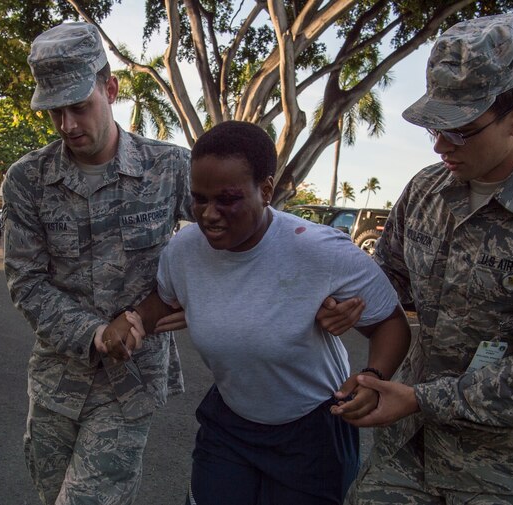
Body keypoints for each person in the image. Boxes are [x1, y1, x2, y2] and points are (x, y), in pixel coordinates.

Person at [326, 13, 513, 505]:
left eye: (461, 130)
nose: (442, 145)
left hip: (505, 474)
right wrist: (351, 309)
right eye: (434, 127)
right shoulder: (426, 189)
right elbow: (387, 284)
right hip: (405, 457)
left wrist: (422, 399)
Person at [105, 120, 412, 505]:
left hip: (312, 430)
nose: (208, 215)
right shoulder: (185, 249)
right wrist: (133, 321)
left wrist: (372, 376)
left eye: (227, 199)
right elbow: (165, 299)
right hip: (230, 424)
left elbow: (391, 323)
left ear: (266, 190)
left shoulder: (320, 251)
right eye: (199, 199)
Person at [2, 22, 192, 504]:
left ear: (110, 89)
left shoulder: (169, 167)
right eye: (54, 111)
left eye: (79, 106)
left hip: (130, 386)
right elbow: (27, 284)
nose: (67, 124)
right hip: (55, 383)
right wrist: (95, 333)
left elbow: (238, 232)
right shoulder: (27, 180)